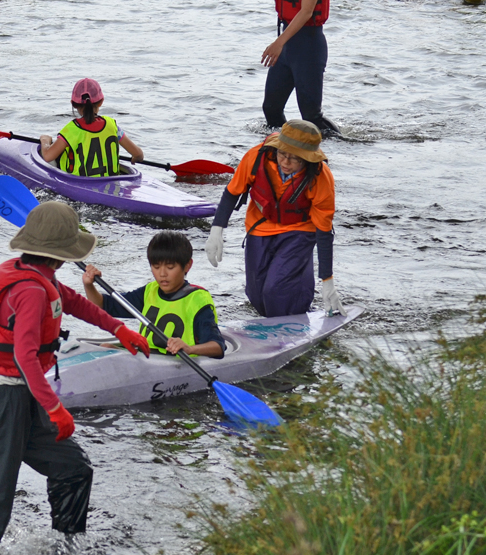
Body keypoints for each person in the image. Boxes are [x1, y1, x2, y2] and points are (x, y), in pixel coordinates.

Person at [0, 201, 151, 555]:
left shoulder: (37, 276)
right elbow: (25, 357)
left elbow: (73, 301)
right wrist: (56, 409)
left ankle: (67, 551)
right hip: (1, 397)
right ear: (61, 254)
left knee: (73, 469)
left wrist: (119, 328)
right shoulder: (29, 291)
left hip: (24, 396)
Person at [205, 119, 346, 318]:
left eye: (294, 158)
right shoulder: (256, 157)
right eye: (282, 154)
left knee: (275, 290)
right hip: (260, 226)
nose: (285, 162)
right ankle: (287, 308)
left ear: (308, 158)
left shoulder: (321, 177)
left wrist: (327, 280)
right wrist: (216, 230)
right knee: (256, 295)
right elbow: (231, 193)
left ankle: (299, 315)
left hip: (300, 230)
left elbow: (324, 231)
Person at [83, 231, 225, 359]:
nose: (162, 274)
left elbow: (218, 347)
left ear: (187, 265)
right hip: (147, 359)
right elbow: (102, 306)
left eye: (170, 267)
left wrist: (189, 348)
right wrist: (89, 285)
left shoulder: (197, 300)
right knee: (105, 348)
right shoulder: (149, 291)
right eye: (156, 267)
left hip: (178, 363)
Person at [261, 0, 340, 137]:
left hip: (309, 47)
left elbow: (306, 12)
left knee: (311, 117)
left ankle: (336, 147)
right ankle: (282, 151)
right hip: (286, 47)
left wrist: (279, 43)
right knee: (271, 109)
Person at [39, 78, 144, 177]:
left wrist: (45, 141)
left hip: (79, 185)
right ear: (101, 101)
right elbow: (139, 154)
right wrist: (136, 158)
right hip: (111, 183)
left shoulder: (71, 129)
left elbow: (48, 156)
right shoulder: (112, 125)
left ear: (74, 104)